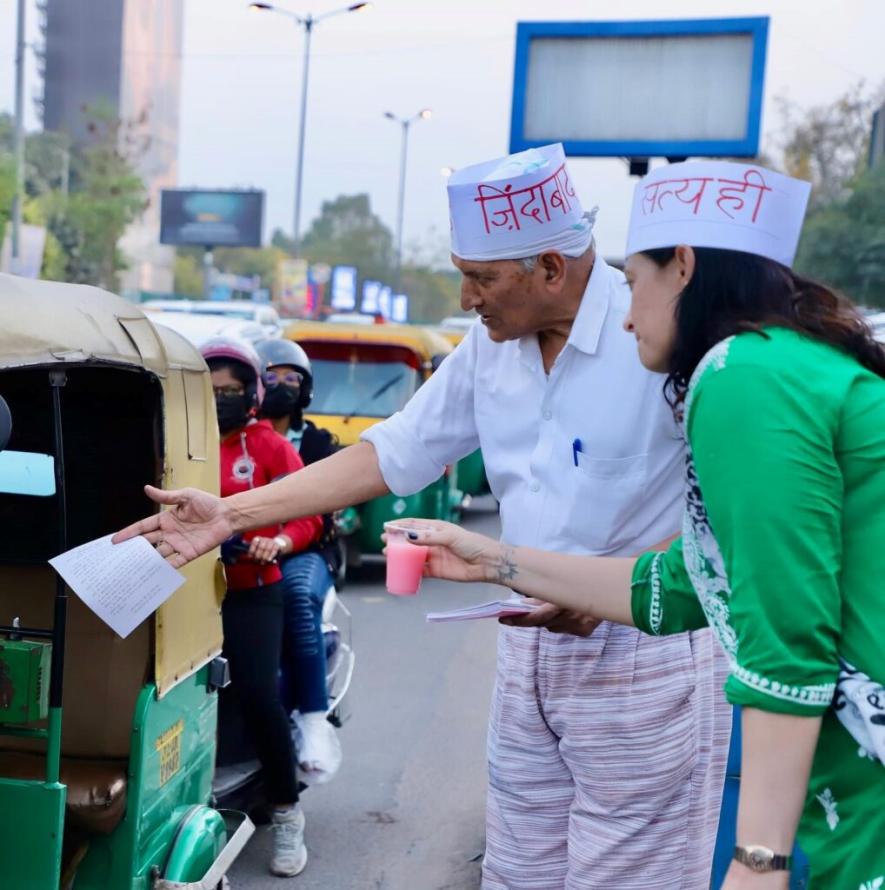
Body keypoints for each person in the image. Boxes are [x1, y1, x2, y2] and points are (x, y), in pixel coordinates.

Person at [115, 144, 731, 888]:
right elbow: (393, 451)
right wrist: (228, 515)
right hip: (529, 650)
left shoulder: (660, 341)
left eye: (481, 279)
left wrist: (619, 591)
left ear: (549, 268)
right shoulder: (491, 350)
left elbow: (723, 510)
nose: (468, 299)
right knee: (516, 872)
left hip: (642, 648)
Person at [391, 161, 885, 889]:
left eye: (630, 284)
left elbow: (786, 637)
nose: (624, 316)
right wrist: (495, 561)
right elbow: (684, 581)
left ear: (681, 267)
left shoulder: (739, 376)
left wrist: (758, 859)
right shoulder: (780, 365)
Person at [202, 336, 323, 878]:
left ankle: (286, 810)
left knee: (255, 692)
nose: (220, 398)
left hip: (254, 590)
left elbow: (310, 513)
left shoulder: (271, 447)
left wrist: (280, 541)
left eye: (230, 390)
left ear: (251, 392)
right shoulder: (186, 442)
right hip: (191, 595)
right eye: (210, 391)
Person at [255, 337, 342, 782]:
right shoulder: (235, 440)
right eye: (273, 377)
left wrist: (285, 541)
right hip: (243, 548)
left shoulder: (317, 444)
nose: (283, 385)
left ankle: (314, 720)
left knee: (295, 595)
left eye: (293, 378)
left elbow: (323, 513)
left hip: (304, 549)